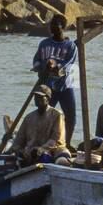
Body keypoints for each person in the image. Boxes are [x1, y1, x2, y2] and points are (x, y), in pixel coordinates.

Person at [32, 17, 80, 146]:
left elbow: (69, 64)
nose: (51, 27)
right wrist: (40, 67)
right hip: (48, 86)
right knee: (44, 114)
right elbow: (36, 60)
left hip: (66, 85)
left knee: (71, 116)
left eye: (55, 24)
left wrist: (55, 65)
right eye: (51, 24)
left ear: (62, 27)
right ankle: (42, 141)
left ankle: (67, 143)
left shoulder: (70, 46)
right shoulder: (44, 44)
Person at [0, 85, 66, 166]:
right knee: (9, 159)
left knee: (60, 159)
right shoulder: (29, 118)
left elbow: (56, 139)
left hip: (50, 152)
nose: (36, 99)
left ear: (48, 98)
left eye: (40, 97)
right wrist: (13, 149)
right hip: (30, 154)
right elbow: (19, 140)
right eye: (36, 97)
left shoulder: (57, 115)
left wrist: (41, 149)